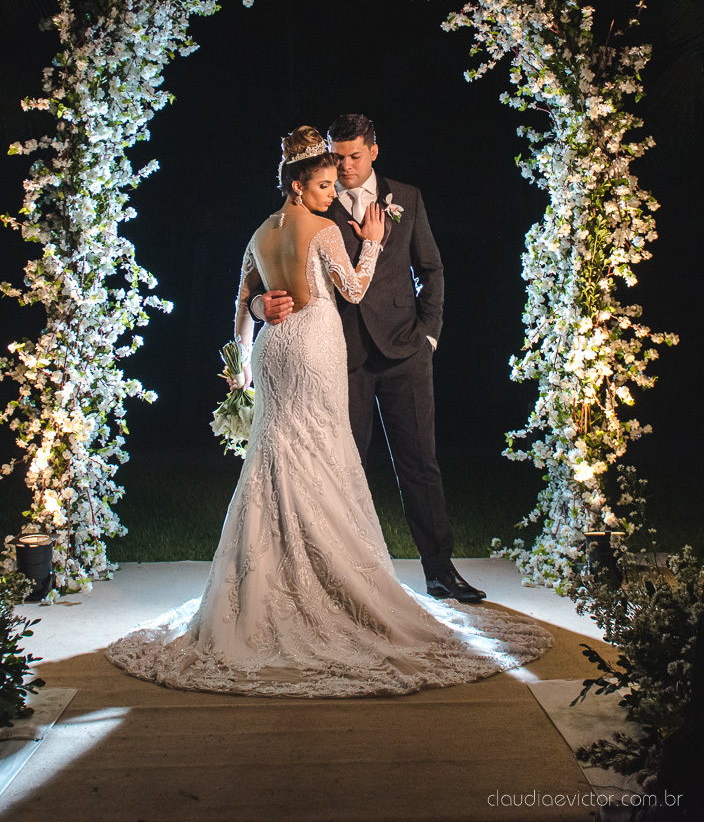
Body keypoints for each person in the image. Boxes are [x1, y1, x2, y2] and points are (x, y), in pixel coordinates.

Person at [107, 127, 552, 697]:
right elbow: (353, 289)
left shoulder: (262, 230)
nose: (333, 187)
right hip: (318, 348)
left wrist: (242, 360)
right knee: (326, 455)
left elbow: (240, 301)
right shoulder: (322, 226)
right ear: (299, 184)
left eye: (339, 173)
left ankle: (287, 579)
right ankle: (328, 581)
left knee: (281, 458)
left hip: (279, 353)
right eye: (323, 182)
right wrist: (370, 242)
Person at [256, 114, 483, 604]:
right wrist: (260, 306)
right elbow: (266, 274)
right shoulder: (313, 199)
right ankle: (347, 580)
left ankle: (440, 571)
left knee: (420, 464)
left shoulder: (408, 198)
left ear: (374, 151)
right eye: (337, 157)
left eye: (354, 156)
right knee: (344, 467)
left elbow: (431, 269)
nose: (344, 166)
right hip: (341, 356)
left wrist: (429, 335)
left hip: (405, 349)